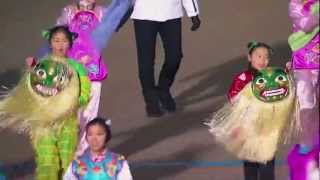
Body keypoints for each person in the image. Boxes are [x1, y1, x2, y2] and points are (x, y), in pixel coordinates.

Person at [1, 25, 91, 179]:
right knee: (47, 162)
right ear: (50, 43)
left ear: (70, 43)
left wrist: (74, 102)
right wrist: (30, 70)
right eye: (56, 41)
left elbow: (85, 93)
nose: (60, 44)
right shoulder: (40, 65)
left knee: (66, 161)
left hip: (67, 122)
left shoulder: (77, 67)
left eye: (64, 41)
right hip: (43, 124)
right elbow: (29, 92)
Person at [207, 42, 296, 180]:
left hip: (267, 131)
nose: (263, 60)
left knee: (267, 166)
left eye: (266, 57)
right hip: (248, 129)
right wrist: (237, 125)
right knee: (250, 167)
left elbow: (281, 87)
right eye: (259, 56)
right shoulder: (242, 79)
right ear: (250, 57)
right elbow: (234, 100)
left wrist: (288, 71)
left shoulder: (271, 76)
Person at [55, 0, 131, 155]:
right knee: (69, 116)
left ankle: (82, 153)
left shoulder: (103, 12)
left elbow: (120, 16)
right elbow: (57, 39)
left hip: (93, 72)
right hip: (70, 73)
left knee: (89, 116)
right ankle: (64, 151)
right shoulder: (68, 12)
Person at [128, 0, 201, 117]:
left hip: (171, 12)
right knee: (146, 61)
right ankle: (151, 100)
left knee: (175, 56)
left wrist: (193, 13)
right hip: (144, 14)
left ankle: (163, 88)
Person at [287, 0, 319, 179]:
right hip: (304, 58)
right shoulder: (295, 5)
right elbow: (306, 24)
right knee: (307, 104)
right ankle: (307, 148)